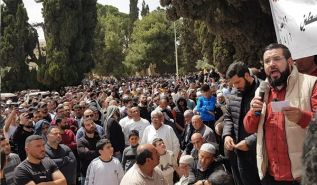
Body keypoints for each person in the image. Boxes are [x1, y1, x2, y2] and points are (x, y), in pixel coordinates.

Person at [244, 43, 317, 185]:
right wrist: (253, 112)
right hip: (271, 177)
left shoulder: (311, 84)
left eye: (277, 59)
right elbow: (249, 128)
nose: (271, 64)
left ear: (290, 62)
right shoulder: (261, 91)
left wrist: (303, 117)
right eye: (267, 61)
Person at [222, 61, 261, 185]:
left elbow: (269, 124)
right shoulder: (233, 93)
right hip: (237, 154)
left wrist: (250, 142)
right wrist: (227, 135)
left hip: (259, 153)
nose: (235, 86)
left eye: (237, 82)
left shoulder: (263, 91)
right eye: (232, 84)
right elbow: (228, 117)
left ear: (247, 75)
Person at [77, 110, 101, 184]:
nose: (91, 126)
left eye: (92, 124)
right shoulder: (81, 141)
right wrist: (98, 152)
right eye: (88, 125)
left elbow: (105, 153)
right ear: (84, 128)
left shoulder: (100, 139)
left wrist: (90, 152)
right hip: (86, 173)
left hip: (100, 171)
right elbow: (84, 155)